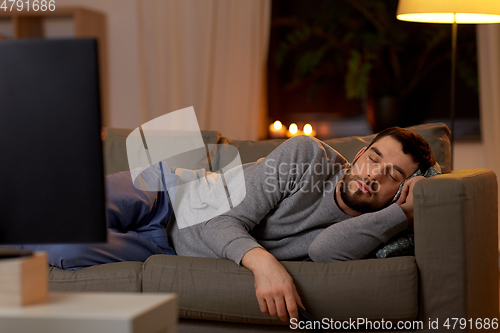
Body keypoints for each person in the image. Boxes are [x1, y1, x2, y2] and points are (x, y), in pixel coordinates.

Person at [23, 127, 436, 323]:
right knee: (58, 214)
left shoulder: (371, 224)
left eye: (394, 176)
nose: (375, 174)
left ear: (398, 192)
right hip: (167, 194)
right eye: (374, 157)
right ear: (359, 152)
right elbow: (221, 218)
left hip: (167, 248)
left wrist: (403, 213)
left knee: (60, 248)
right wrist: (262, 262)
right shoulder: (307, 156)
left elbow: (326, 252)